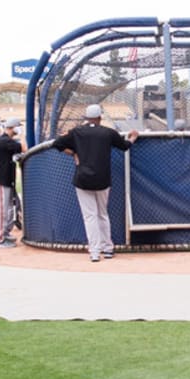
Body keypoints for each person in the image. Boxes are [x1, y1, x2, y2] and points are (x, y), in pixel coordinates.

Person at [52, 104, 138, 261]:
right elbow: (125, 146)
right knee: (102, 214)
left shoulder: (76, 132)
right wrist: (132, 138)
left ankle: (94, 252)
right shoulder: (107, 132)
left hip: (82, 179)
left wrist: (74, 154)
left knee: (89, 216)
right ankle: (108, 249)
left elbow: (56, 144)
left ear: (86, 118)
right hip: (102, 179)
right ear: (99, 118)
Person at [0, 118, 25, 248]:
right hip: (1, 180)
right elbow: (25, 148)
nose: (19, 129)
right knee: (2, 211)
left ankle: (5, 233)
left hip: (8, 180)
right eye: (17, 127)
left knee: (9, 210)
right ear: (12, 127)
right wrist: (22, 135)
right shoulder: (4, 140)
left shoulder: (8, 141)